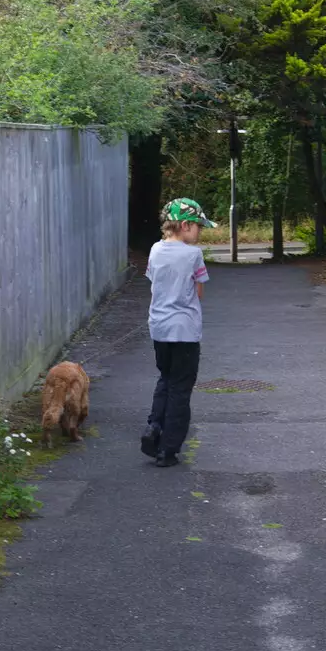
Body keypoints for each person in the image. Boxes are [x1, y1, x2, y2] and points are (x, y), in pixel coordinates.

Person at [141, 197, 215, 467]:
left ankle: (154, 427)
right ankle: (168, 449)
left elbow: (155, 282)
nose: (200, 232)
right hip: (184, 330)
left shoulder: (155, 250)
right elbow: (199, 290)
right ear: (185, 225)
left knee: (165, 379)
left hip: (159, 328)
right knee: (181, 389)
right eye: (198, 227)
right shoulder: (193, 255)